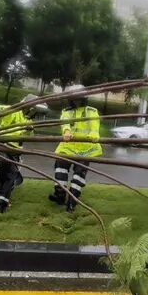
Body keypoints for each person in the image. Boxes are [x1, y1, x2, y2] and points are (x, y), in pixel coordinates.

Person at [0, 93, 47, 213]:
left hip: (15, 150)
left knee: (13, 174)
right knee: (1, 165)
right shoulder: (14, 111)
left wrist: (29, 131)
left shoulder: (29, 121)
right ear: (30, 108)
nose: (35, 115)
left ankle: (0, 201)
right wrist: (1, 110)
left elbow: (29, 137)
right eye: (35, 111)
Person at [47, 84, 102, 212]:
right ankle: (60, 195)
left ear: (83, 99)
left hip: (86, 148)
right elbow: (64, 122)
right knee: (60, 166)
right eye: (73, 99)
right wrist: (66, 131)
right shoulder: (67, 112)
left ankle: (72, 200)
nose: (75, 101)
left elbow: (95, 125)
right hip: (68, 146)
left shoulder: (92, 111)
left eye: (78, 99)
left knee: (79, 173)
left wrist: (94, 134)